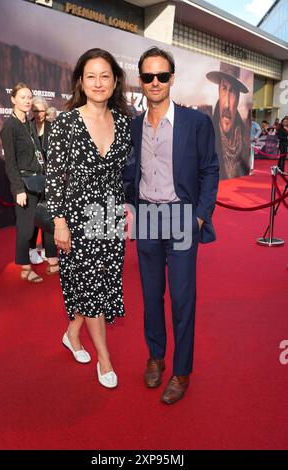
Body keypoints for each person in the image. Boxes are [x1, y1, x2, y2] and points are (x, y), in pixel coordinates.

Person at [128, 47, 219, 404]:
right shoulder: (134, 126)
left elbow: (210, 169)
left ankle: (181, 371)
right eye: (148, 77)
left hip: (182, 216)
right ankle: (156, 356)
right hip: (148, 216)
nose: (155, 82)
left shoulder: (195, 123)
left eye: (162, 76)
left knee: (182, 299)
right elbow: (128, 171)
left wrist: (199, 215)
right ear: (141, 80)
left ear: (171, 79)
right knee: (151, 296)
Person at [45, 49, 132, 388]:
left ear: (115, 81)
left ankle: (71, 332)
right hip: (77, 218)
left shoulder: (123, 122)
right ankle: (105, 360)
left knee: (103, 282)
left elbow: (123, 174)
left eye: (105, 76)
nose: (98, 83)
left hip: (109, 216)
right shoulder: (66, 123)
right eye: (91, 76)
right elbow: (54, 176)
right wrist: (59, 222)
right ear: (81, 81)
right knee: (92, 286)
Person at [0, 83, 58, 282]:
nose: (27, 101)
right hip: (25, 183)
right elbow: (10, 163)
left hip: (42, 180)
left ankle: (53, 262)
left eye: (29, 97)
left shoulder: (29, 124)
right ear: (13, 99)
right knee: (26, 228)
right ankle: (25, 267)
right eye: (22, 97)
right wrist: (18, 189)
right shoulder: (10, 126)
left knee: (48, 222)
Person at [206, 62, 249, 179]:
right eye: (224, 89)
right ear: (218, 91)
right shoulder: (207, 134)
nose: (226, 104)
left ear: (239, 98)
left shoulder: (245, 139)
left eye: (233, 92)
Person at [29, 96, 55, 266]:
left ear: (46, 110)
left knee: (47, 215)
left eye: (41, 110)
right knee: (32, 216)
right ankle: (31, 250)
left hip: (50, 177)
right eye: (35, 110)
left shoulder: (53, 127)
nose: (38, 114)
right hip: (32, 178)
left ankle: (47, 249)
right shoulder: (27, 127)